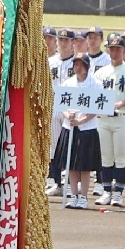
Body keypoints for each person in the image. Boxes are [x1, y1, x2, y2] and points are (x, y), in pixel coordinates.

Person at [95, 33, 125, 206]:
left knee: (121, 157)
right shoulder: (101, 73)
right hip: (104, 119)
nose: (114, 52)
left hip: (123, 117)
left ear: (124, 50)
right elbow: (95, 95)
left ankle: (118, 193)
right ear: (108, 50)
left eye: (118, 49)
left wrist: (121, 103)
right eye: (112, 49)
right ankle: (107, 191)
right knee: (106, 157)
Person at [54, 55, 102, 208]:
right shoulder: (68, 83)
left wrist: (82, 120)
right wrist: (69, 116)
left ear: (87, 66)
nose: (78, 67)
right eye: (76, 64)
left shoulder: (95, 84)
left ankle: (84, 197)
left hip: (87, 128)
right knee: (71, 165)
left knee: (85, 166)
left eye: (81, 64)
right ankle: (74, 195)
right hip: (69, 127)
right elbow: (61, 105)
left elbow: (98, 107)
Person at [46, 28, 77, 195]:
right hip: (53, 106)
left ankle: (71, 182)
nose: (63, 43)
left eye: (67, 40)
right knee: (54, 146)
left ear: (73, 42)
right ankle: (57, 182)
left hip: (71, 108)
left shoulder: (78, 62)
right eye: (61, 40)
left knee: (71, 145)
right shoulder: (50, 62)